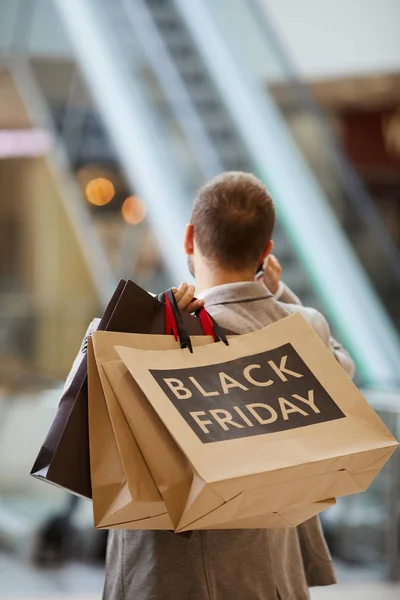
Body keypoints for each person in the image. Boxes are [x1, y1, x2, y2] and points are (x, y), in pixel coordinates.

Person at [103, 171, 355, 600]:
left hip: (165, 578)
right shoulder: (305, 331)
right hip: (268, 576)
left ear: (189, 239)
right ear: (266, 252)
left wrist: (130, 326)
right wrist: (279, 297)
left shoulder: (150, 336)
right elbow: (341, 367)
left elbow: (83, 431)